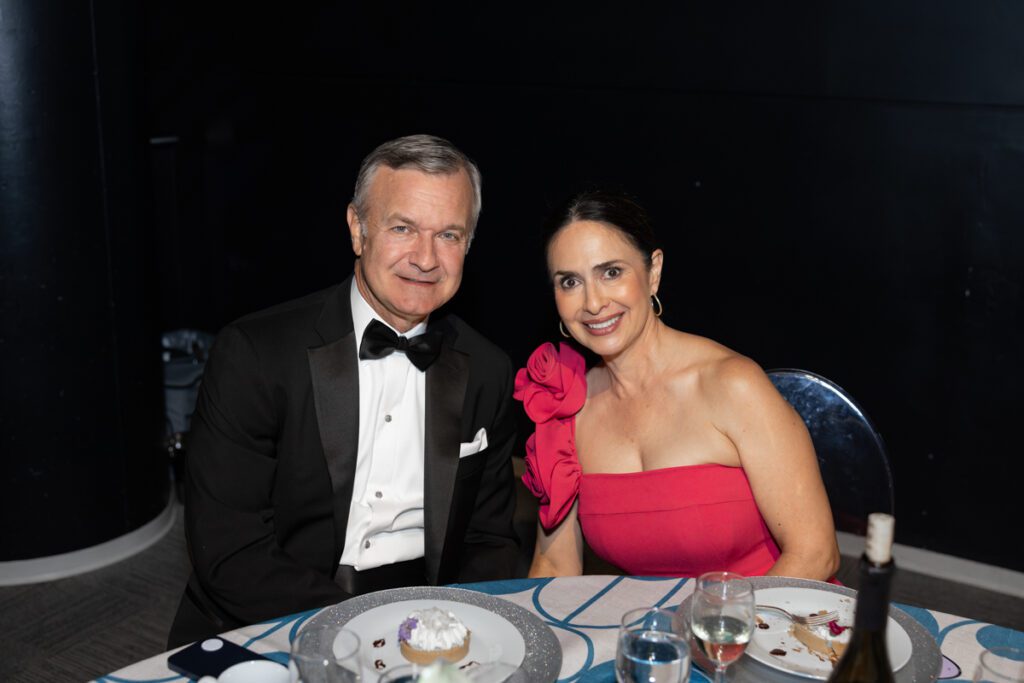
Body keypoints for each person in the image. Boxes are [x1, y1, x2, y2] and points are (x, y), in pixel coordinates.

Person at [169, 134, 519, 647]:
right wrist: (366, 632)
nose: (425, 258)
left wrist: (458, 633)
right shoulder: (256, 355)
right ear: (358, 229)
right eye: (403, 228)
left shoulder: (487, 369)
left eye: (448, 235)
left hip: (431, 618)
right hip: (273, 613)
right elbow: (231, 551)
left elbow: (489, 540)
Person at [515, 190, 839, 580]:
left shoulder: (731, 384)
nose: (594, 302)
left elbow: (815, 553)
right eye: (570, 281)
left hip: (773, 622)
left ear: (653, 272)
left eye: (611, 273)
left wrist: (716, 636)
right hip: (650, 633)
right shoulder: (565, 408)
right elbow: (554, 564)